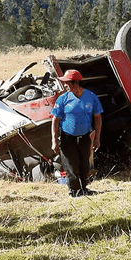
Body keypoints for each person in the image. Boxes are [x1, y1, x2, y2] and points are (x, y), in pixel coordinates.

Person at [51, 69, 103, 198]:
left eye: (67, 83)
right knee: (70, 165)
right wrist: (54, 141)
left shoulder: (91, 97)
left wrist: (97, 138)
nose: (65, 85)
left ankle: (83, 189)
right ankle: (73, 191)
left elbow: (98, 117)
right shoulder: (63, 99)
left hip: (85, 137)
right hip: (67, 137)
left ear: (76, 83)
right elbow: (55, 120)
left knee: (84, 164)